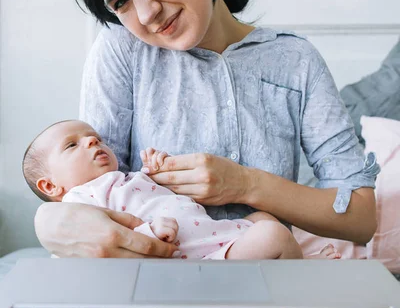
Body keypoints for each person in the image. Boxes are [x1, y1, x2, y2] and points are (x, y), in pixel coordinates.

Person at [34, 0, 379, 259]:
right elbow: (91, 192)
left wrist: (246, 184)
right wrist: (48, 222)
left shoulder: (294, 60)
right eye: (122, 2)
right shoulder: (122, 51)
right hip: (158, 284)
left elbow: (360, 218)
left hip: (265, 276)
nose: (147, 13)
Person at [24, 120, 340, 260]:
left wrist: (158, 169)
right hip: (197, 256)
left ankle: (291, 266)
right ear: (50, 185)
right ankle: (302, 284)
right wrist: (150, 231)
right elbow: (111, 240)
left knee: (262, 217)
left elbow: (151, 196)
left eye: (94, 136)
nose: (92, 141)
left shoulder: (125, 178)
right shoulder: (80, 200)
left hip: (218, 235)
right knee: (274, 235)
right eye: (72, 145)